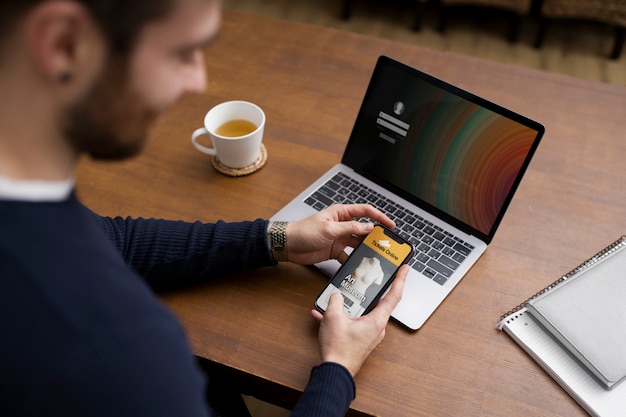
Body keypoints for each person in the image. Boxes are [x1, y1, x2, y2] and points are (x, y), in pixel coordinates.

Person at [0, 1, 409, 416]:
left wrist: (278, 240)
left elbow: (114, 240)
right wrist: (337, 370)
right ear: (63, 43)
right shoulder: (117, 355)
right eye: (181, 52)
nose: (199, 80)